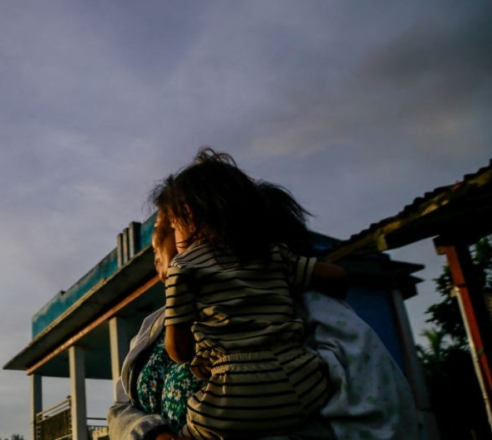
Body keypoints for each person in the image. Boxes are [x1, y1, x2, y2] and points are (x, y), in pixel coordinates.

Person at [108, 151, 419, 440]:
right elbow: (121, 408)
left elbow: (378, 420)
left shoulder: (311, 311)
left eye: (166, 226)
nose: (157, 247)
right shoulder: (156, 325)